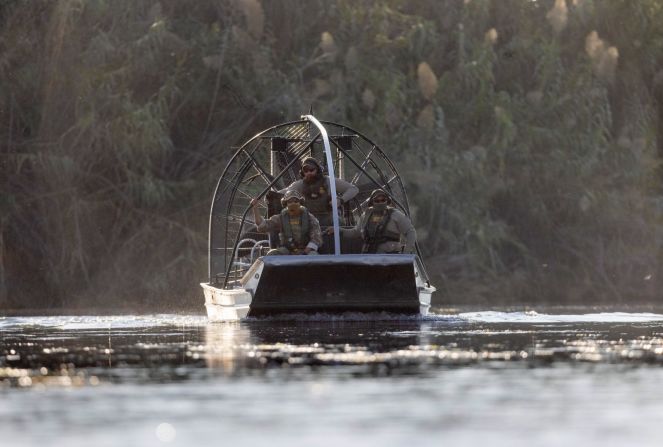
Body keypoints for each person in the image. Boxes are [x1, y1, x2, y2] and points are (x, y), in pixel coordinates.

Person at [279, 157, 359, 227]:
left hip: (329, 221)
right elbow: (281, 193)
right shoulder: (299, 184)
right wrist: (269, 196)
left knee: (339, 224)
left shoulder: (329, 181)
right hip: (308, 221)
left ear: (317, 169)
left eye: (311, 170)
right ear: (302, 172)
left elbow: (353, 189)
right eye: (306, 171)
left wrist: (340, 200)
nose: (309, 173)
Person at [336, 189, 416, 254]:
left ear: (387, 201)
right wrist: (337, 231)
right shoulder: (366, 215)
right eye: (377, 201)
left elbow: (410, 231)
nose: (380, 202)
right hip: (369, 258)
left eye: (383, 200)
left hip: (390, 259)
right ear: (372, 202)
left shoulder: (395, 214)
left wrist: (406, 251)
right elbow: (355, 232)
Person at [251, 189, 322, 255]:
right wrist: (255, 208)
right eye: (290, 202)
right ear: (285, 204)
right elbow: (262, 225)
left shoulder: (310, 218)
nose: (293, 204)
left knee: (314, 256)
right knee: (272, 254)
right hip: (287, 250)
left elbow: (316, 237)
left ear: (300, 203)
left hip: (306, 250)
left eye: (296, 201)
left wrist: (305, 252)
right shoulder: (280, 218)